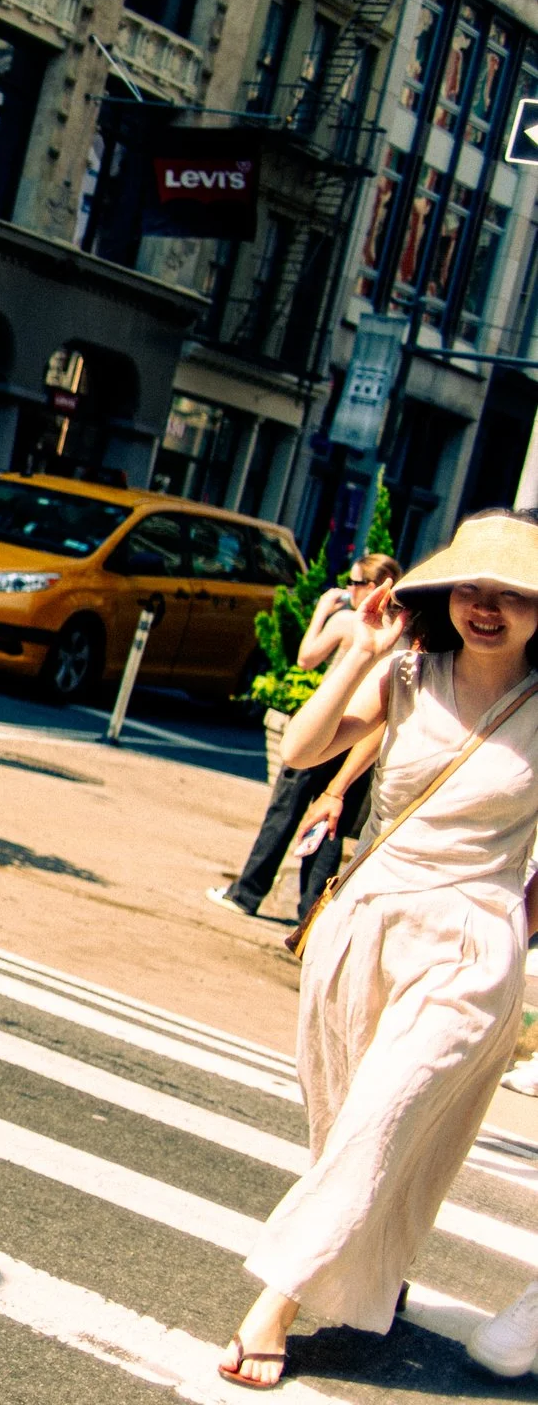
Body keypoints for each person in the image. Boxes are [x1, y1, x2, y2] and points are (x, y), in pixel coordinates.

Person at [218, 511, 538, 1389]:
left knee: (385, 1117)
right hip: (369, 921)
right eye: (473, 588)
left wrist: (515, 926)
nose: (488, 607)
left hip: (472, 943)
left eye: (514, 595)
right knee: (346, 1128)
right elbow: (307, 749)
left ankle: (273, 1305)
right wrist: (361, 649)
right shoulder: (406, 674)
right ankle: (372, 1276)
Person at [209, 554, 404, 922]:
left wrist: (320, 611)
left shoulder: (349, 621)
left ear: (371, 587)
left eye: (355, 581)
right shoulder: (400, 632)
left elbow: (306, 658)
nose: (348, 589)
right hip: (361, 737)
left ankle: (247, 891)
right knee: (332, 823)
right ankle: (313, 912)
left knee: (286, 810)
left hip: (326, 728)